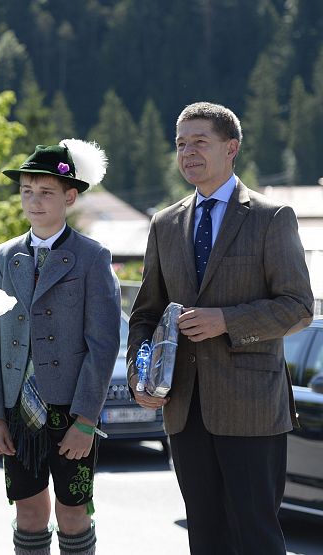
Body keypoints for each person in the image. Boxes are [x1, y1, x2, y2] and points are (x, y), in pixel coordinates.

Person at [126, 101, 314, 554]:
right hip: (184, 410)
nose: (187, 152)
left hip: (251, 411)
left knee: (255, 537)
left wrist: (225, 321)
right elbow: (145, 315)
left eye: (199, 142)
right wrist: (140, 373)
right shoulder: (165, 223)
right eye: (180, 144)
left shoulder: (272, 217)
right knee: (205, 538)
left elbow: (297, 307)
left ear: (231, 148)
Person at [0, 142, 120, 555]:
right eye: (27, 191)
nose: (34, 201)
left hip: (71, 411)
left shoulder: (92, 257)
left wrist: (86, 421)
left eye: (45, 192)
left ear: (70, 196)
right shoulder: (4, 258)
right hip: (16, 410)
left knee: (74, 513)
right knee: (27, 512)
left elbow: (103, 344)